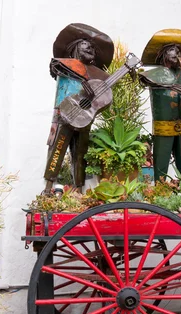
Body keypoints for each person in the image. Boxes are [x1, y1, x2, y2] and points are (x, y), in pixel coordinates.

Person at [43, 23, 115, 194]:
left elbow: (104, 91)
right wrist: (84, 83)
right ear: (75, 46)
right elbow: (55, 68)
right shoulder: (63, 64)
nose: (90, 48)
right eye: (86, 44)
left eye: (93, 47)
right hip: (63, 113)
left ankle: (78, 189)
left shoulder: (96, 73)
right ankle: (47, 188)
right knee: (57, 149)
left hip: (84, 117)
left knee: (80, 153)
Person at [139, 29, 181, 180]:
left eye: (179, 51)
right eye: (172, 50)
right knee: (162, 157)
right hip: (163, 125)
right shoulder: (153, 76)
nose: (176, 54)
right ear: (163, 55)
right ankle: (160, 188)